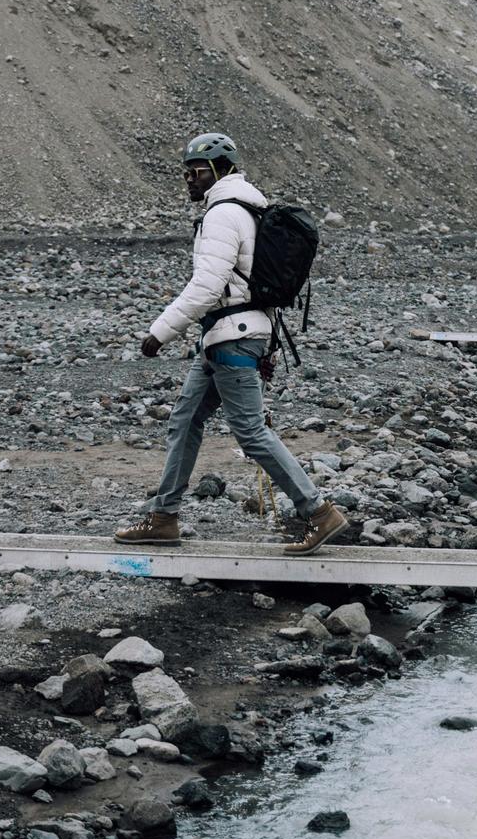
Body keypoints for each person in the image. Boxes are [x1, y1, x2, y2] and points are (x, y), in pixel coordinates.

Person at [114, 132, 348, 555]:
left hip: (232, 340)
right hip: (229, 337)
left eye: (196, 172)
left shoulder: (223, 214)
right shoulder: (248, 209)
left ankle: (318, 512)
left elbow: (208, 285)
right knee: (185, 421)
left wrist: (160, 332)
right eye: (186, 172)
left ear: (220, 170)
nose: (188, 179)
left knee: (251, 432)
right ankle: (164, 518)